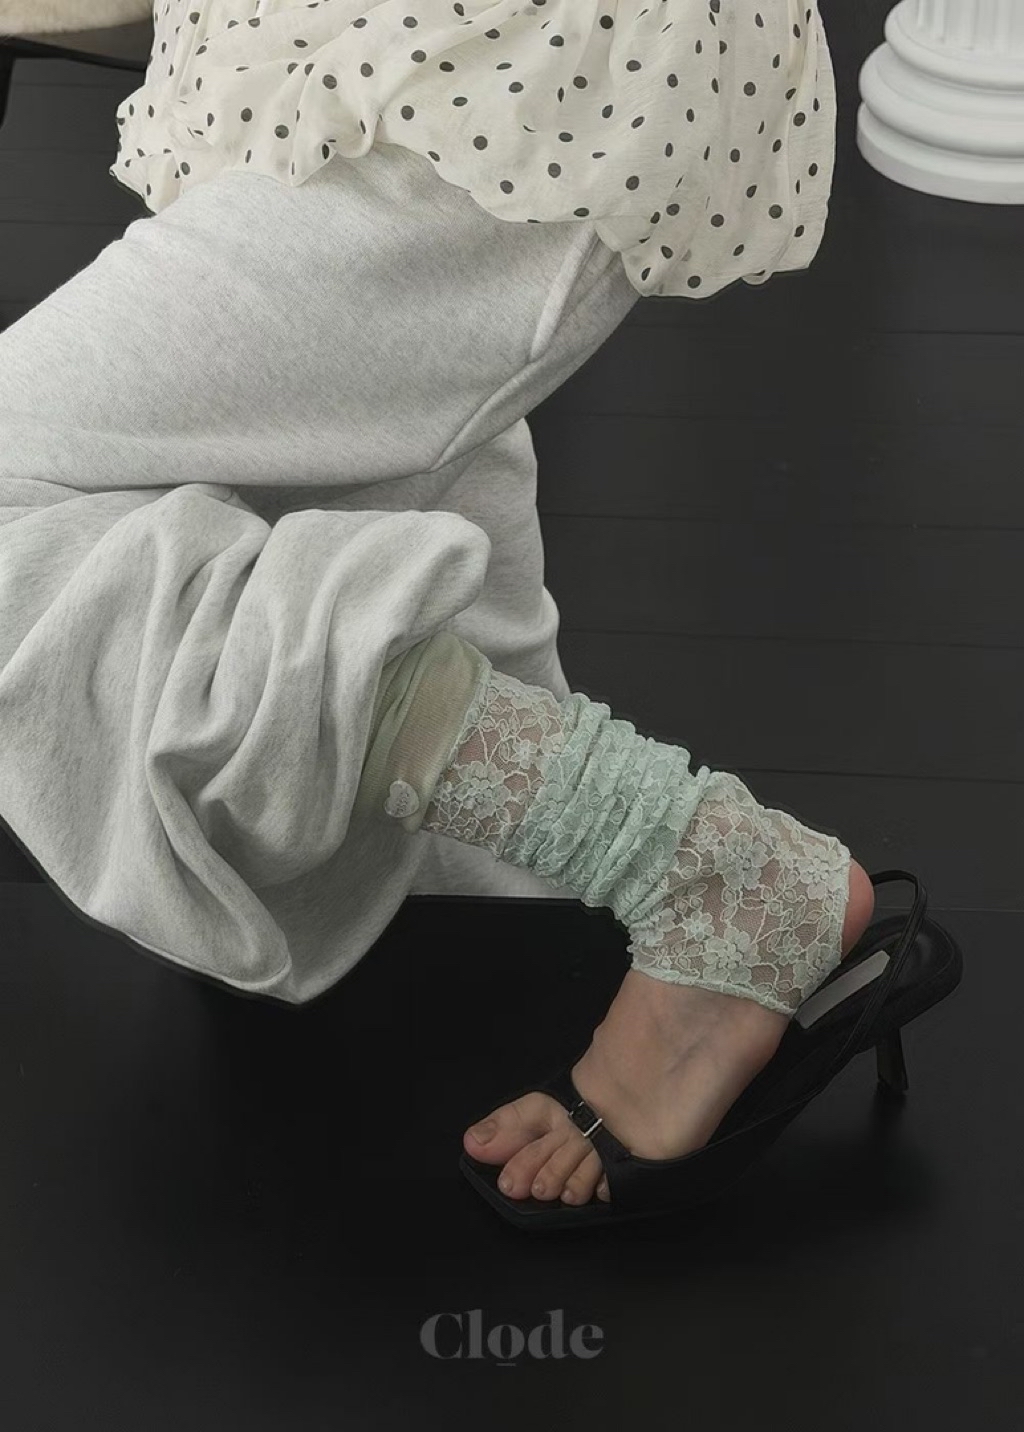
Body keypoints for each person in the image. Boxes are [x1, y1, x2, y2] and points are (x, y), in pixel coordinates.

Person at [0, 0, 868, 1213]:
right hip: (352, 47)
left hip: (485, 51)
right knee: (382, 491)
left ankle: (711, 874)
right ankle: (495, 925)